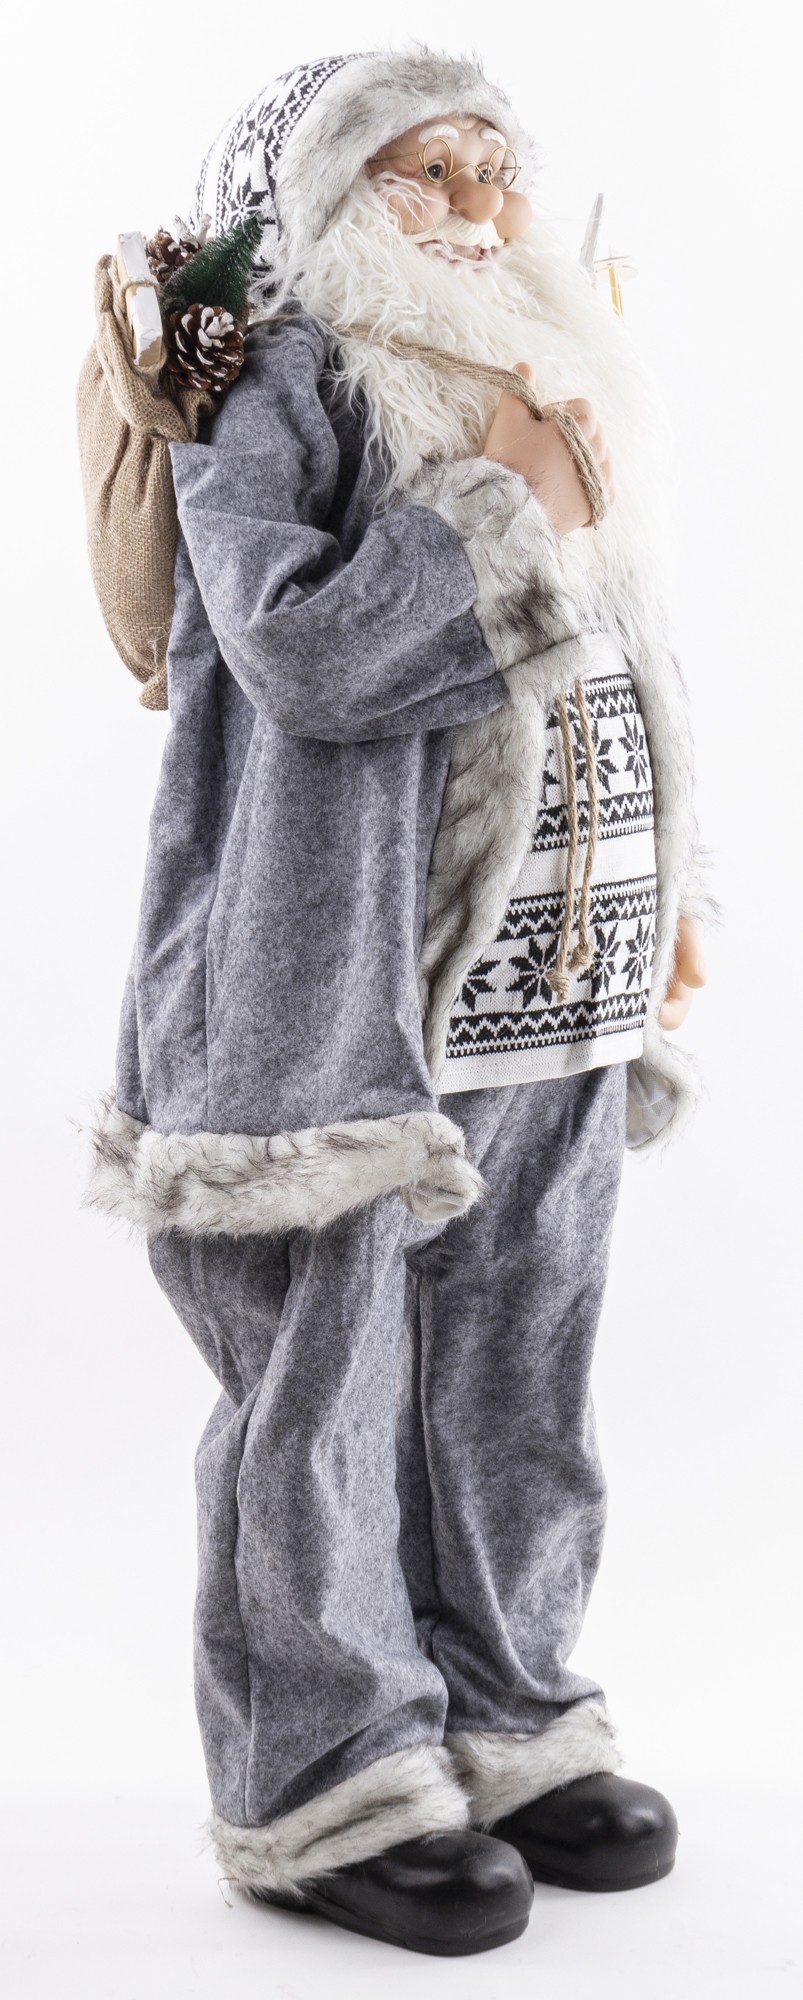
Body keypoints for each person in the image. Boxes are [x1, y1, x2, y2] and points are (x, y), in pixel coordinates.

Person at [84, 48, 715, 1955]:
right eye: (425, 169)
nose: (474, 205)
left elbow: (626, 651)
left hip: (552, 985)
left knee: (523, 1365)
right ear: (327, 201)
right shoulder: (281, 385)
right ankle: (327, 1777)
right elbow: (302, 656)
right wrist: (502, 498)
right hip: (340, 998)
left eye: (491, 168)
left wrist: (667, 889)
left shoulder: (547, 370)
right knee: (327, 1388)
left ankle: (505, 1717)